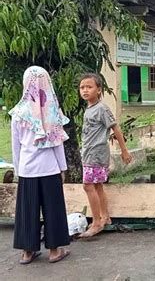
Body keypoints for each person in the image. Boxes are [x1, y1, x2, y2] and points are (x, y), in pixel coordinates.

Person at [10, 66, 70, 264]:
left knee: (27, 210)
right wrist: (62, 168)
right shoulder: (52, 110)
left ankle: (28, 252)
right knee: (53, 209)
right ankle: (54, 251)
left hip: (27, 169)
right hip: (50, 167)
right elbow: (58, 143)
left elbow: (16, 146)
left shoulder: (19, 113)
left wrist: (19, 170)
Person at [78, 73, 132, 238]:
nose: (85, 90)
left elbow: (115, 128)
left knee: (88, 186)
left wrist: (124, 150)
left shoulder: (101, 108)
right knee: (97, 186)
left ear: (99, 90)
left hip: (96, 154)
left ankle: (95, 223)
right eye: (82, 87)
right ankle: (105, 216)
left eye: (89, 87)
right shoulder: (90, 108)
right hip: (89, 153)